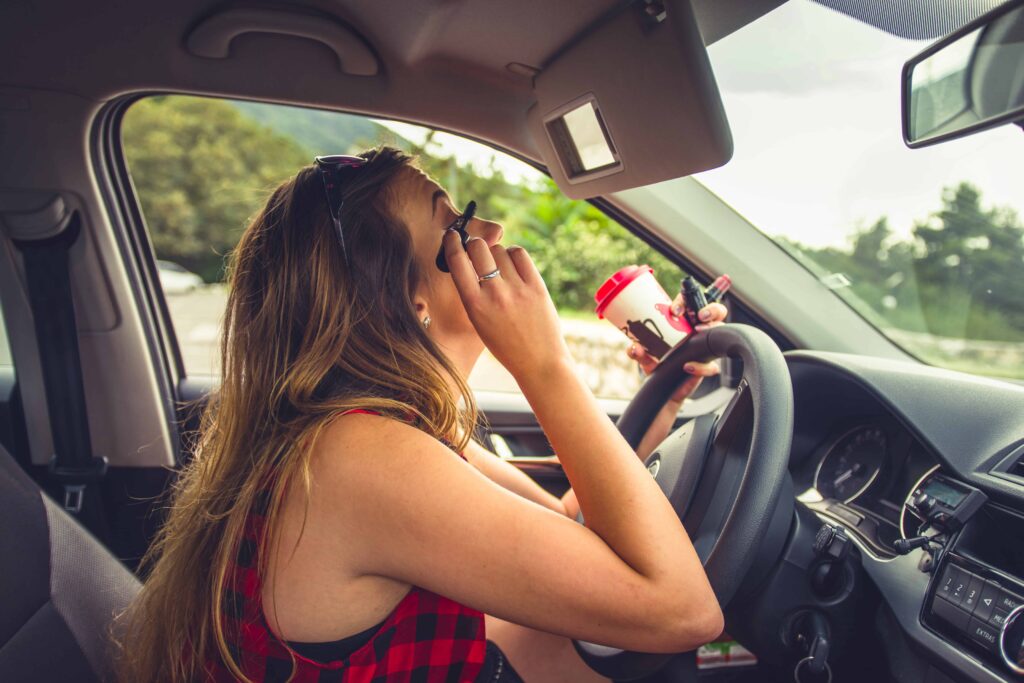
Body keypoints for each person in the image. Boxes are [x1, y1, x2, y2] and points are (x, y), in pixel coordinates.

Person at [114, 147, 727, 683]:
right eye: (455, 223)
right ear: (412, 300)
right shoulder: (362, 453)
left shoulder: (377, 427)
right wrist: (545, 367)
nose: (491, 226)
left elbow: (566, 521)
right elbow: (681, 612)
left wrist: (666, 396)